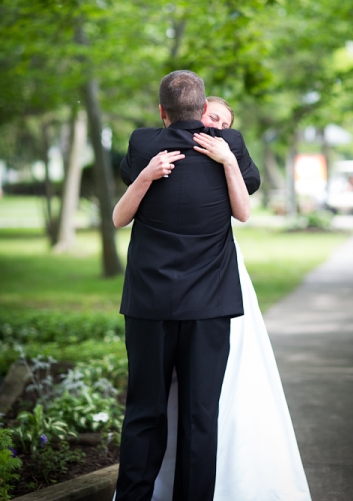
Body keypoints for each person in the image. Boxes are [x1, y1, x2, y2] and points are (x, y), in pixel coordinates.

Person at [114, 95, 312, 501]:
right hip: (189, 303)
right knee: (187, 414)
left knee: (166, 413)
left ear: (162, 109)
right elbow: (122, 213)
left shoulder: (214, 145)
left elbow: (244, 205)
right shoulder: (159, 146)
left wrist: (228, 159)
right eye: (211, 117)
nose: (216, 127)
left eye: (224, 122)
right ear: (197, 110)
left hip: (185, 300)